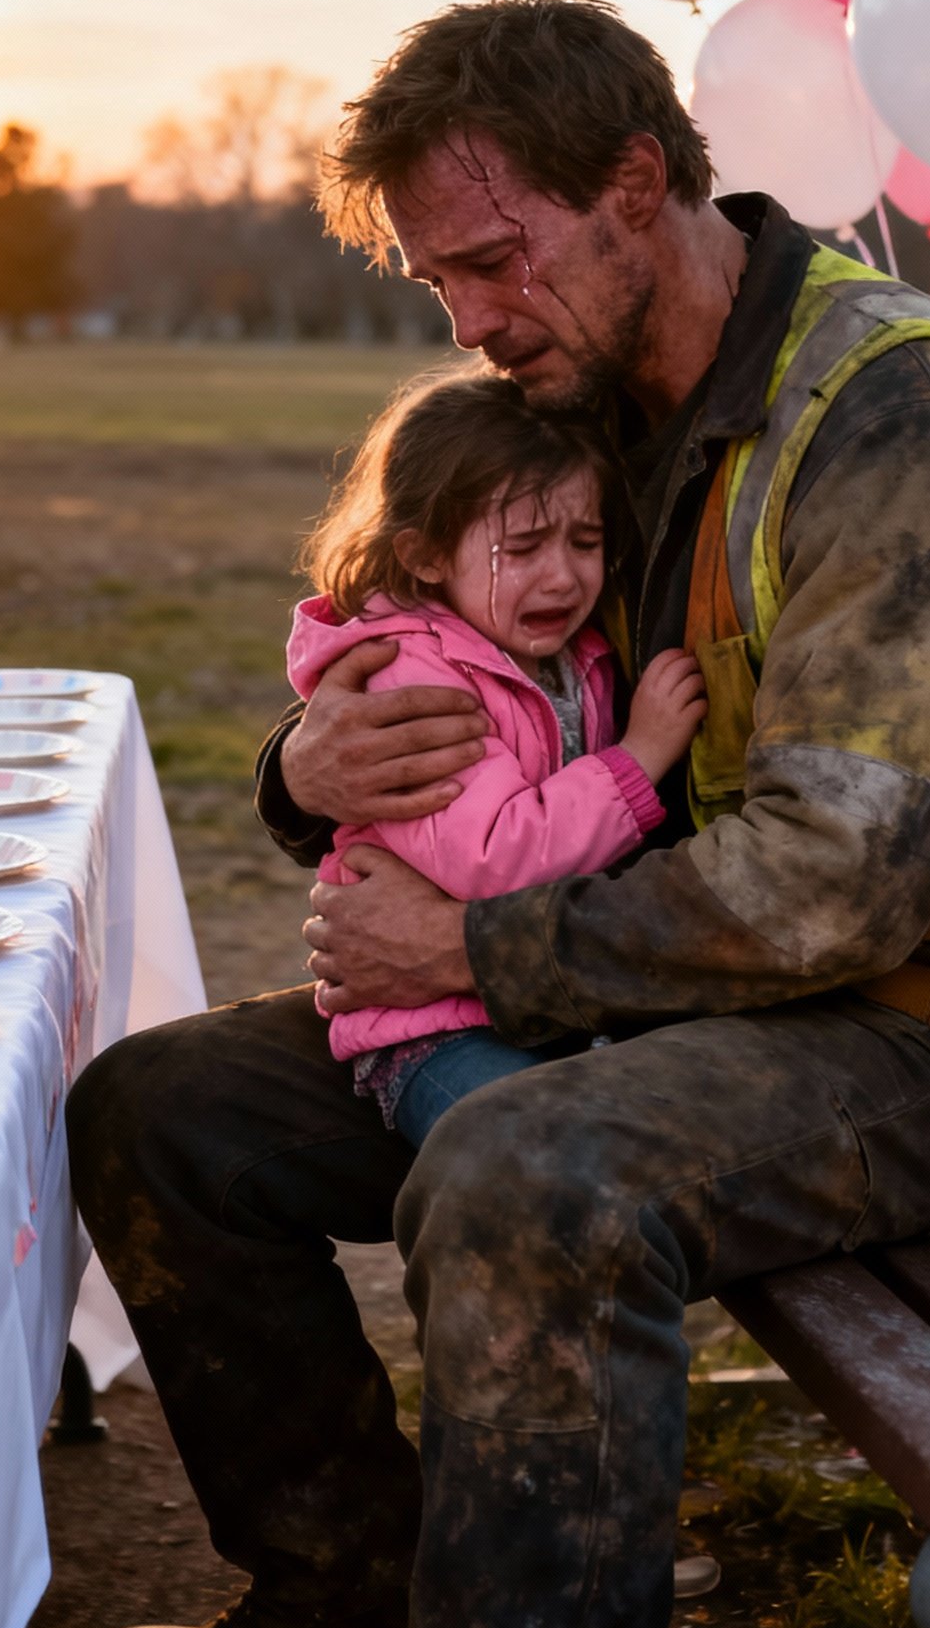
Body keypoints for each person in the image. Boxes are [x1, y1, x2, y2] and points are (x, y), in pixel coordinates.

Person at [68, 0, 930, 1628]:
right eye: (442, 285)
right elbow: (432, 651)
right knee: (161, 1110)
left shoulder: (900, 423)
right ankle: (342, 1602)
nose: (476, 322)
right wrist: (304, 766)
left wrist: (479, 956)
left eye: (498, 262)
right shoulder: (594, 404)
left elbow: (831, 881)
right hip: (664, 981)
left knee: (525, 1175)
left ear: (637, 182)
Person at [285, 368, 705, 1144]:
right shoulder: (410, 678)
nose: (563, 575)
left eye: (586, 541)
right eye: (523, 547)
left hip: (547, 999)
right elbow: (496, 856)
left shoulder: (569, 653)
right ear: (425, 554)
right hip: (434, 1030)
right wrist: (639, 759)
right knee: (528, 1156)